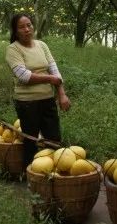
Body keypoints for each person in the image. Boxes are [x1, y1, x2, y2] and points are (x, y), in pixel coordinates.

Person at [5, 13, 71, 167]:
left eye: (29, 25)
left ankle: (54, 172)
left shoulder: (42, 45)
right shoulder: (13, 49)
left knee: (54, 138)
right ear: (15, 31)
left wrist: (61, 94)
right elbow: (24, 76)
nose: (27, 29)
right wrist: (49, 79)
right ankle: (30, 174)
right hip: (27, 102)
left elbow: (55, 71)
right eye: (22, 27)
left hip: (47, 99)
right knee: (31, 140)